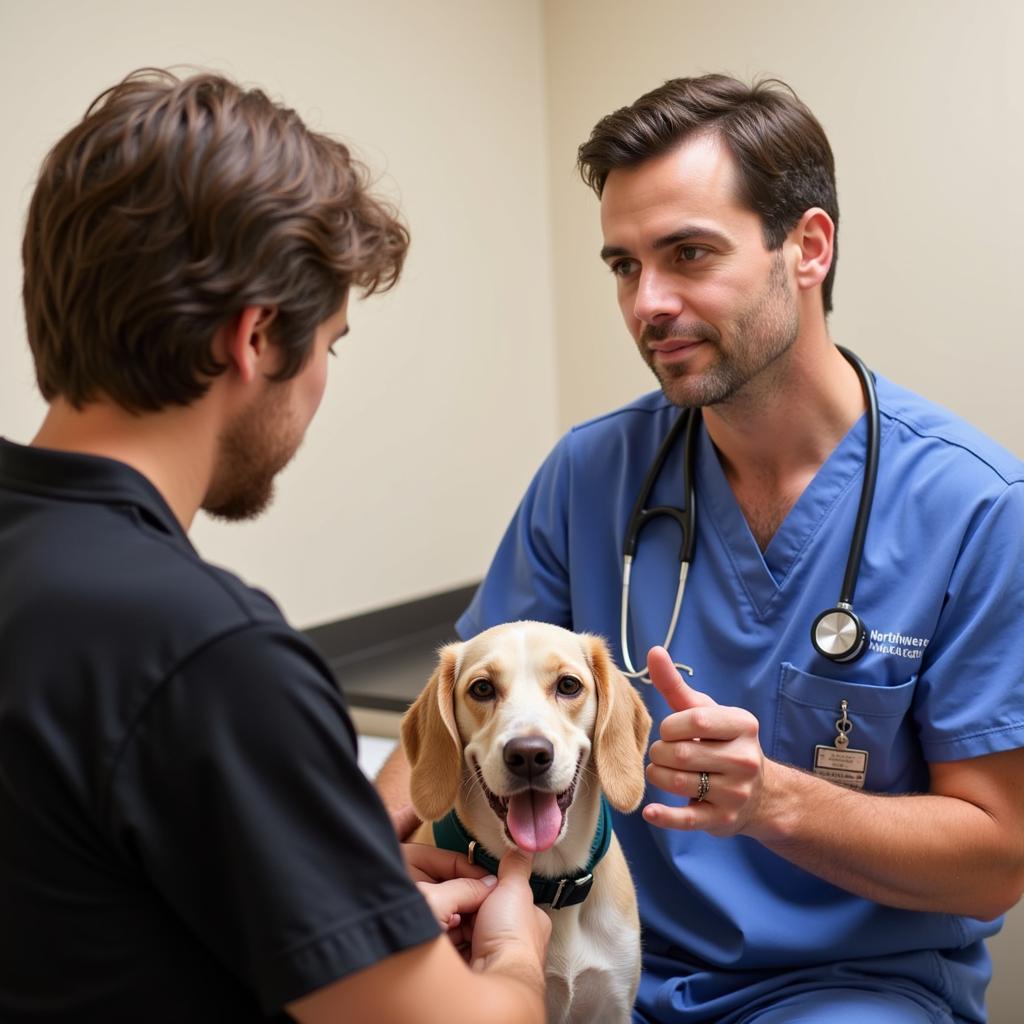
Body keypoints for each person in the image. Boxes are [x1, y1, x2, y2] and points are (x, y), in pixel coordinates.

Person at [377, 74, 1024, 1023]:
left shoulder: (975, 509)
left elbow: (997, 862)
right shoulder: (591, 473)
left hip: (840, 991)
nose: (648, 302)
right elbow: (453, 718)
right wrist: (375, 859)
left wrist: (774, 802)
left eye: (687, 254)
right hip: (593, 956)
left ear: (807, 248)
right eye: (623, 266)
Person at [0, 68, 549, 1023]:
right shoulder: (209, 657)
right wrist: (513, 953)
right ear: (254, 340)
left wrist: (346, 894)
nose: (322, 383)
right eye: (329, 345)